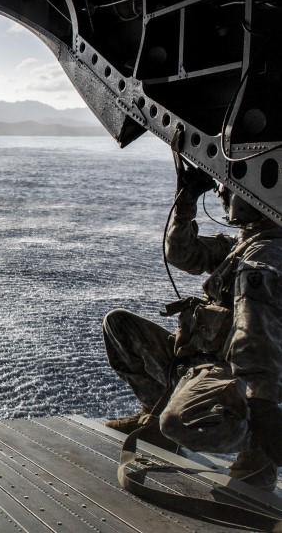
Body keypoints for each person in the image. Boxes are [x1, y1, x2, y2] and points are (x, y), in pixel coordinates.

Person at [102, 158, 282, 490]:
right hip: (198, 359)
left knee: (180, 423)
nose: (222, 196)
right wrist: (185, 201)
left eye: (226, 191)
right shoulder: (242, 246)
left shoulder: (265, 258)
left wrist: (263, 404)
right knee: (119, 326)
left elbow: (256, 333)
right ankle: (150, 416)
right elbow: (182, 254)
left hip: (234, 373)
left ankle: (260, 447)